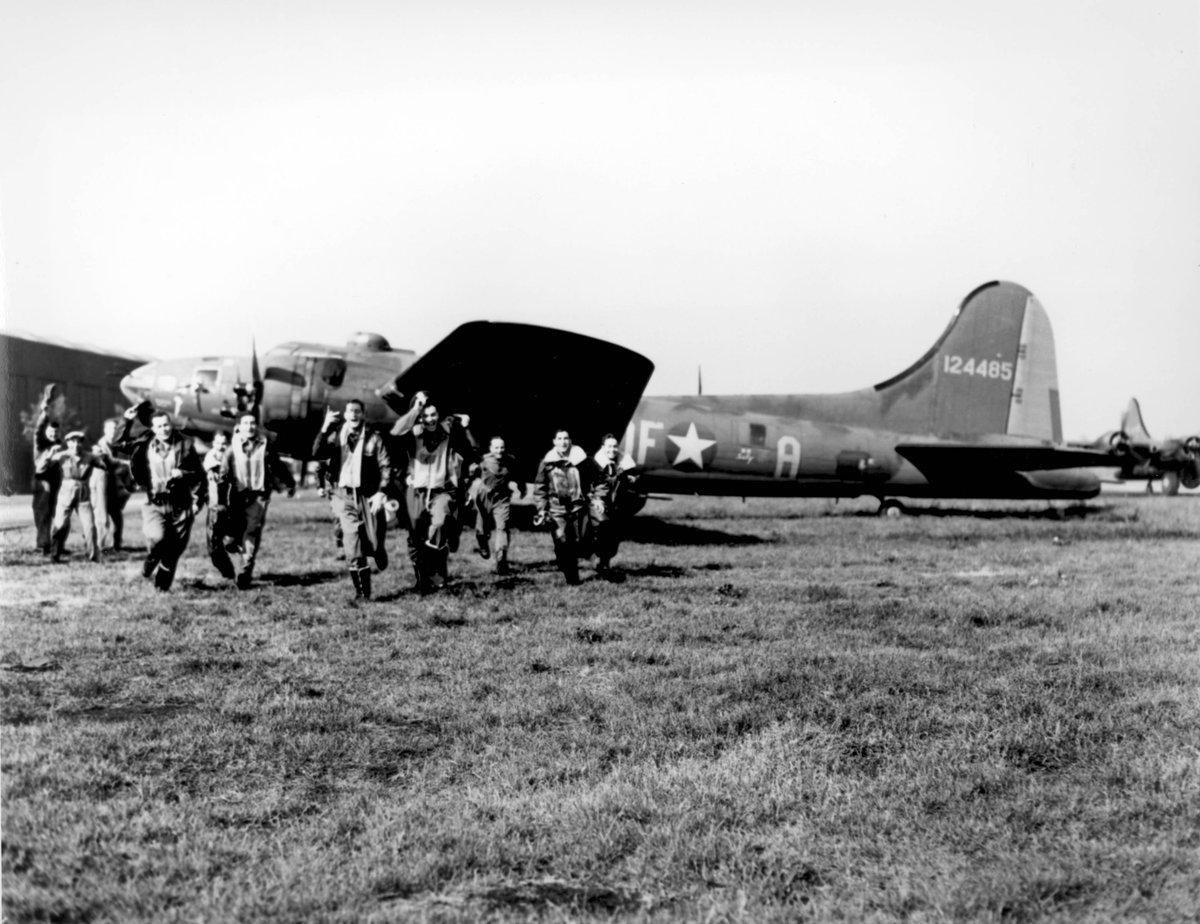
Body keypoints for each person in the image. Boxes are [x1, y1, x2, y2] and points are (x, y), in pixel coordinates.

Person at [390, 391, 476, 593]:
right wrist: (415, 409)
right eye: (425, 416)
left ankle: (437, 573)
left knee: (438, 526)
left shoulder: (447, 430)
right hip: (416, 491)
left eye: (433, 415)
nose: (430, 420)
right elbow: (396, 431)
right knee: (416, 537)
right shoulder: (415, 433)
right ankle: (423, 580)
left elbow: (470, 447)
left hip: (441, 491)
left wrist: (465, 424)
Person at [114, 404, 205, 592]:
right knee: (157, 538)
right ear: (153, 429)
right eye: (159, 426)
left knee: (174, 549)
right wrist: (126, 420)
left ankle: (162, 587)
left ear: (170, 425)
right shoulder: (143, 444)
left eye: (166, 425)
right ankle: (151, 559)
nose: (164, 429)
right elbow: (117, 444)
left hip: (181, 504)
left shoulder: (185, 444)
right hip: (154, 502)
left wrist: (184, 474)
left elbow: (198, 474)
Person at [311, 399, 393, 601]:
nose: (354, 415)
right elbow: (317, 453)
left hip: (367, 494)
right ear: (345, 414)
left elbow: (385, 465)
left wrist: (381, 491)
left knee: (372, 542)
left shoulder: (374, 438)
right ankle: (362, 593)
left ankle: (378, 549)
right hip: (343, 494)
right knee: (352, 539)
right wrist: (324, 427)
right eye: (350, 411)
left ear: (363, 415)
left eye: (358, 411)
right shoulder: (336, 435)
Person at [215, 414, 296, 589]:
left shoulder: (266, 446)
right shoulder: (232, 450)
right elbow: (222, 477)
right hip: (236, 497)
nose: (250, 426)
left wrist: (289, 483)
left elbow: (278, 466)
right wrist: (222, 501)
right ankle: (236, 547)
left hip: (259, 496)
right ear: (239, 426)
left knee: (252, 530)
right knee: (231, 539)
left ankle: (245, 569)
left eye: (253, 423)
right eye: (246, 423)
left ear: (256, 426)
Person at [533, 428, 591, 585]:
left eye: (566, 438)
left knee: (577, 542)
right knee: (563, 541)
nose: (563, 442)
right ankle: (572, 578)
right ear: (554, 442)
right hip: (556, 508)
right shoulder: (547, 463)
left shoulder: (580, 460)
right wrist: (542, 508)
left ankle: (564, 561)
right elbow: (540, 487)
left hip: (577, 507)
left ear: (570, 441)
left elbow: (589, 481)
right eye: (559, 438)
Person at [47, 430, 109, 563]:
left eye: (78, 441)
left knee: (89, 526)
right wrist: (49, 456)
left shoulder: (89, 456)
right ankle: (54, 555)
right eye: (72, 442)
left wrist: (103, 456)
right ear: (67, 443)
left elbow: (105, 466)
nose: (75, 445)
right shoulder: (61, 456)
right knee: (60, 524)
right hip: (66, 492)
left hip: (83, 493)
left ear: (82, 443)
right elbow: (43, 469)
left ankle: (92, 556)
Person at [469, 435, 524, 575]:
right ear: (491, 448)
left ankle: (501, 560)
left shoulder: (510, 460)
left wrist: (521, 487)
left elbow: (517, 474)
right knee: (481, 530)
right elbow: (469, 475)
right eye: (496, 447)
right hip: (484, 497)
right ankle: (482, 543)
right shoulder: (483, 460)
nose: (499, 450)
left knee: (502, 527)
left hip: (502, 498)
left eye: (502, 447)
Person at [588, 434, 639, 575]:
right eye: (609, 446)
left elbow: (635, 479)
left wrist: (631, 479)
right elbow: (588, 483)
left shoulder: (625, 463)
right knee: (602, 527)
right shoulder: (595, 464)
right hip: (599, 502)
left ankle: (604, 563)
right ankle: (594, 555)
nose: (612, 449)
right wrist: (594, 498)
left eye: (615, 446)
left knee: (614, 535)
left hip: (617, 505)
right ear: (603, 447)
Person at [89, 418, 133, 552]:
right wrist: (125, 463)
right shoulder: (100, 445)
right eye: (110, 429)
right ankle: (101, 545)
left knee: (117, 515)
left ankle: (116, 544)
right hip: (100, 484)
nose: (113, 431)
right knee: (101, 516)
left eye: (115, 429)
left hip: (112, 484)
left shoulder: (116, 444)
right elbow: (107, 460)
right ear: (105, 430)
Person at [31, 384, 63, 555]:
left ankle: (56, 545)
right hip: (42, 480)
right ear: (47, 432)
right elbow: (38, 429)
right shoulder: (40, 442)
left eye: (56, 433)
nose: (53, 435)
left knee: (56, 512)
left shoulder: (58, 443)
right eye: (51, 433)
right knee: (42, 513)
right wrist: (44, 411)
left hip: (55, 480)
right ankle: (43, 545)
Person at [202, 431, 234, 579]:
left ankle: (237, 571)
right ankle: (228, 573)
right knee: (214, 547)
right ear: (213, 444)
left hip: (231, 507)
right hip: (215, 508)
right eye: (218, 443)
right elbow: (212, 468)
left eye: (224, 443)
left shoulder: (233, 457)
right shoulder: (210, 457)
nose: (221, 447)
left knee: (231, 542)